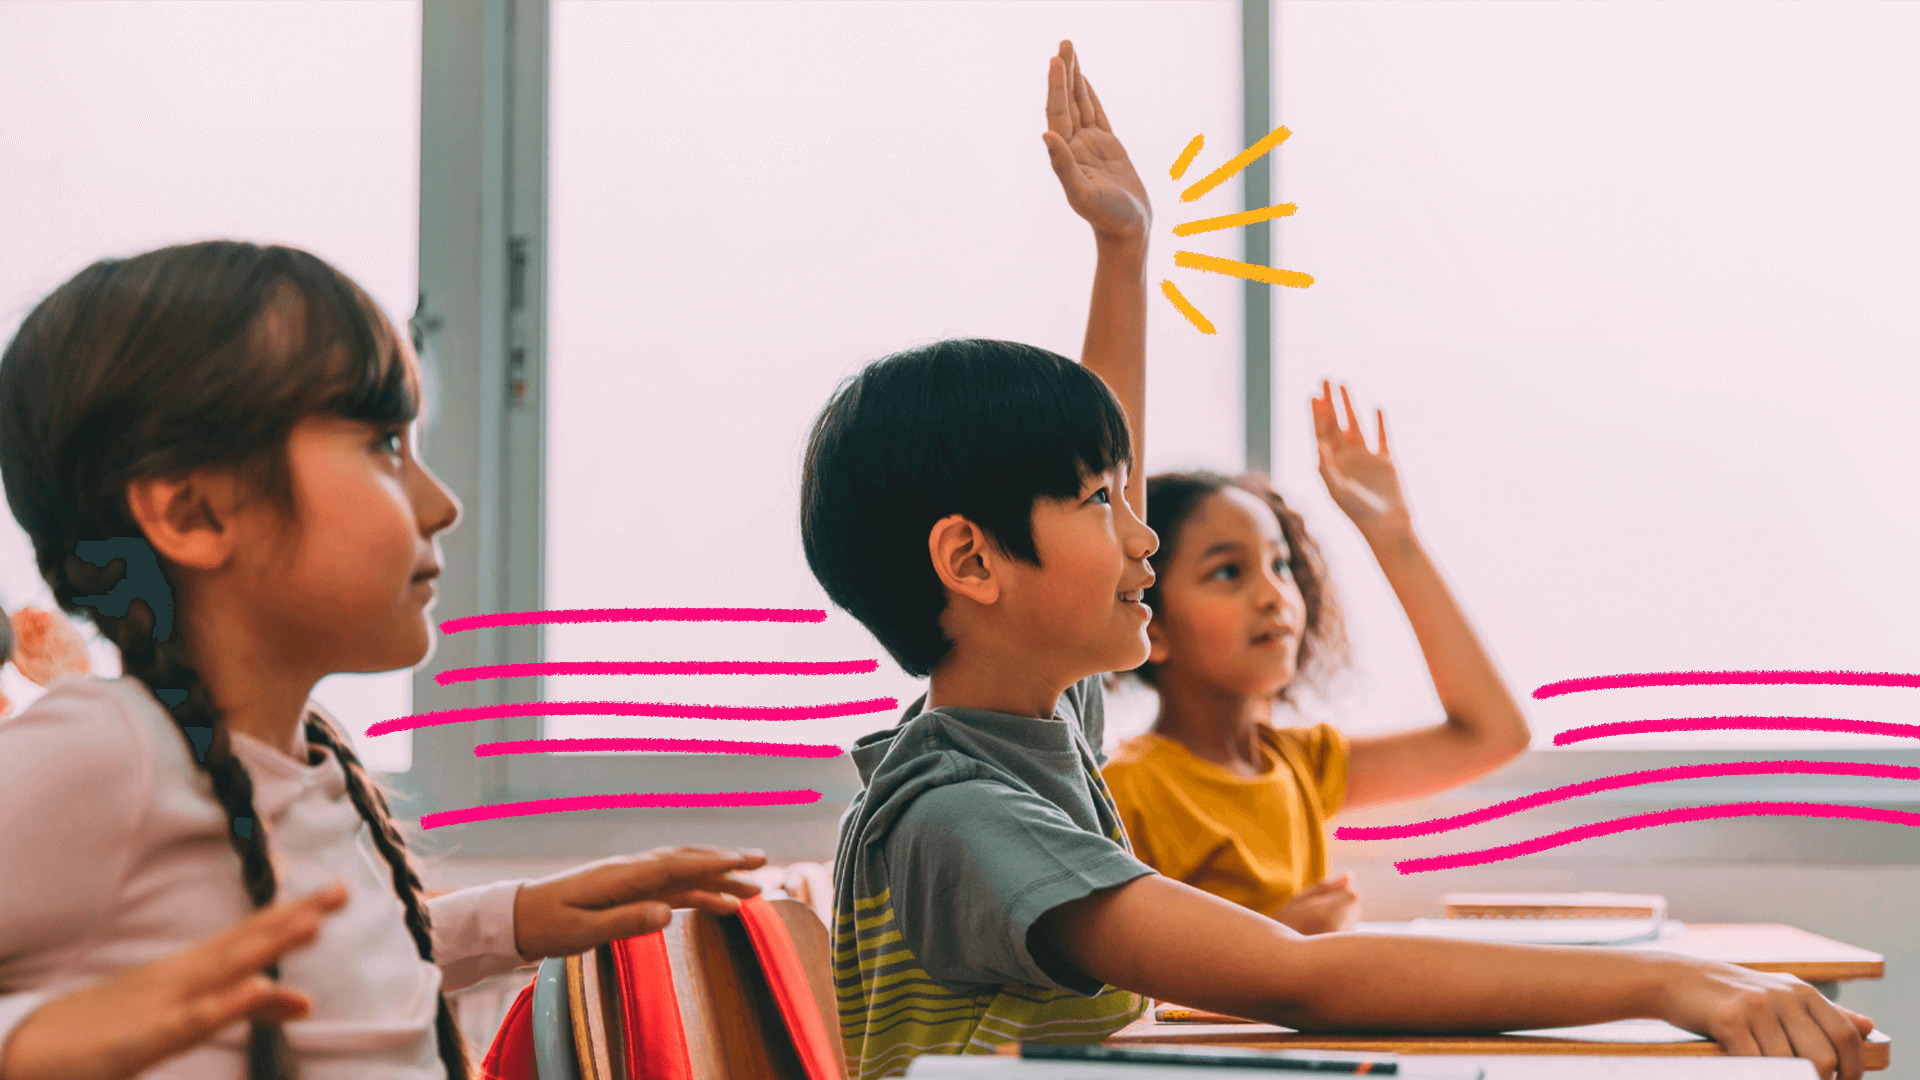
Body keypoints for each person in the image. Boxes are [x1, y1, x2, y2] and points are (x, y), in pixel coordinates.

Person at [799, 39, 1873, 1080]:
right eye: (1097, 502)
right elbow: (1297, 978)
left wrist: (1123, 251)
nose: (1142, 532)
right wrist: (1669, 987)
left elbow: (1091, 451)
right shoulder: (961, 815)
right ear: (972, 565)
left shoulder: (1026, 724)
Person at [0, 240, 767, 1080]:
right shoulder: (108, 753)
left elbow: (332, 978)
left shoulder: (299, 760)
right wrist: (27, 1042)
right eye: (383, 446)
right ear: (195, 510)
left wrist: (514, 917)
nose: (441, 506)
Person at [1103, 381, 1531, 932]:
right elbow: (1127, 992)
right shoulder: (1130, 792)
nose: (1274, 594)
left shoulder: (1299, 763)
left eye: (1280, 566)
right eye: (1228, 571)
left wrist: (1392, 535)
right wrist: (1281, 941)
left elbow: (1495, 734)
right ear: (1151, 628)